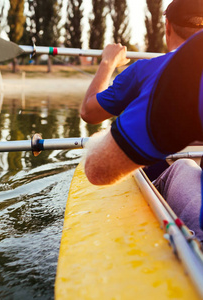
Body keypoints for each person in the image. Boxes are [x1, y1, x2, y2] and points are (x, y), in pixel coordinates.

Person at [84, 30, 203, 239]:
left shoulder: (182, 68)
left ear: (166, 27)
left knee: (182, 166)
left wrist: (108, 62)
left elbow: (89, 112)